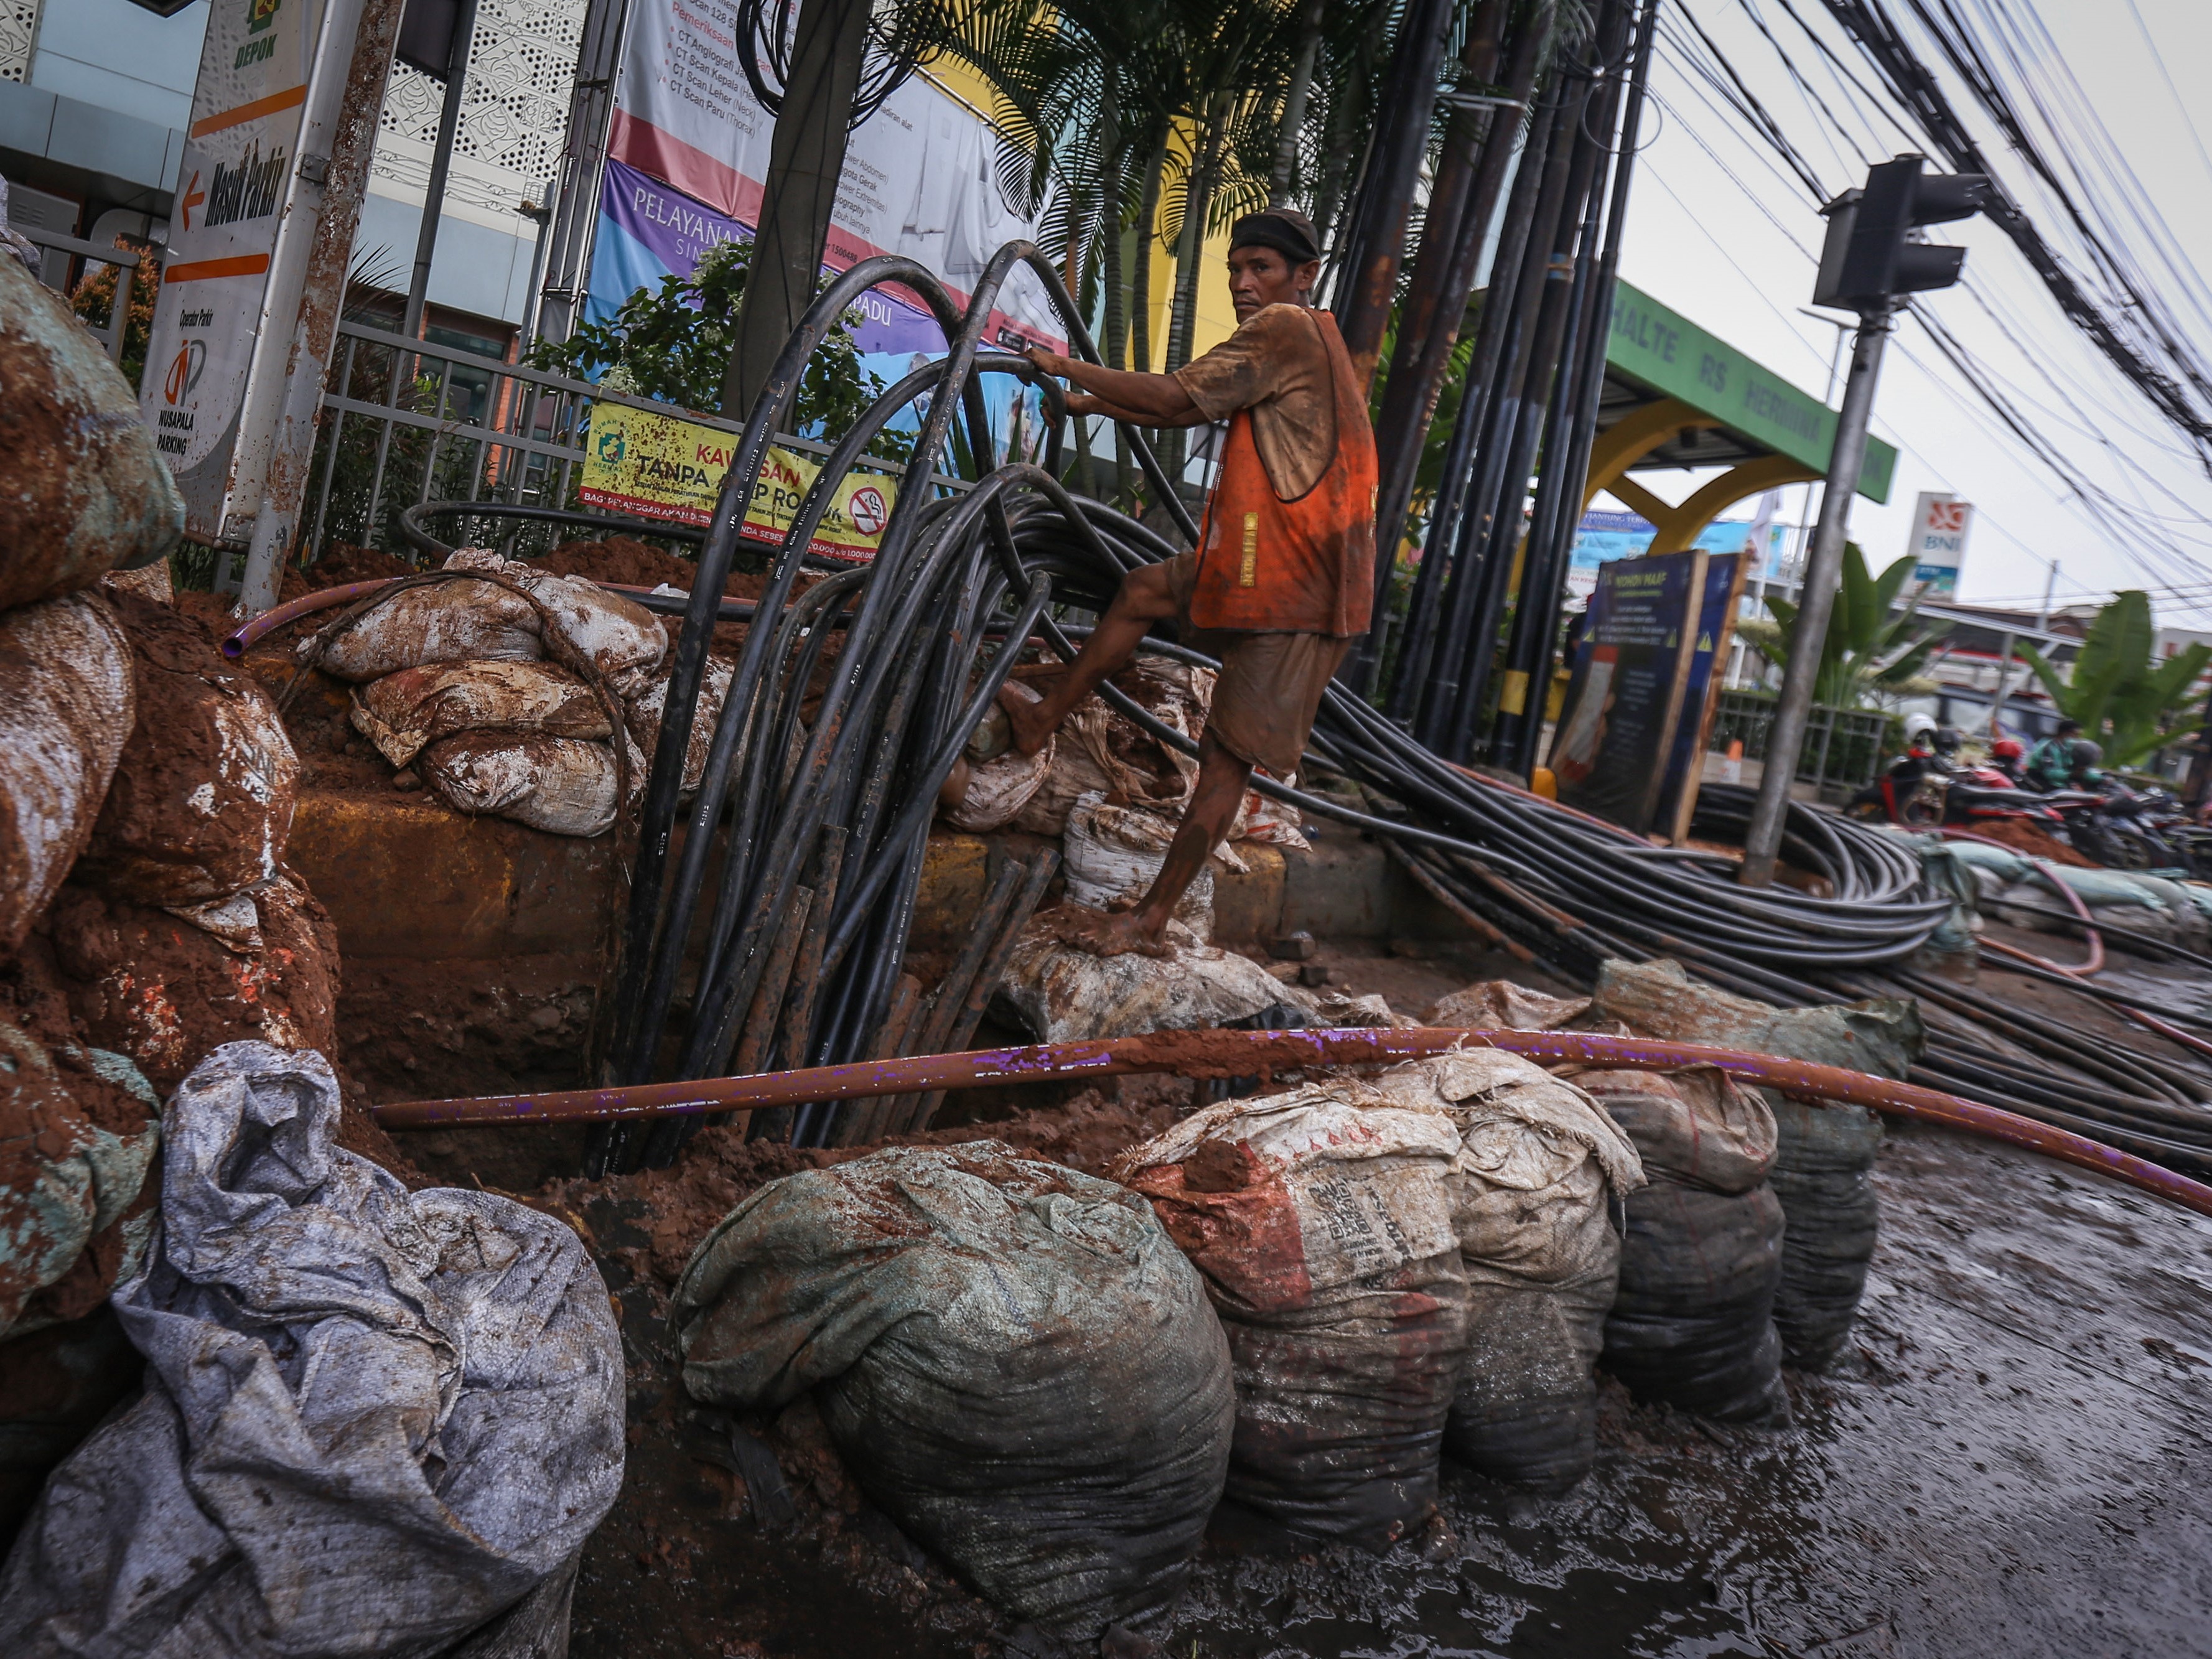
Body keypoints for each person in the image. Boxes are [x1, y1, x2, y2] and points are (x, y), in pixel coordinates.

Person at [1007, 207, 1377, 956]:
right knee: (1142, 589)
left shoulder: (1287, 328)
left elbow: (1175, 396)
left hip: (1298, 589)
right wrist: (1090, 403)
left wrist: (1067, 367)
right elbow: (1193, 405)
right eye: (1236, 269)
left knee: (1223, 760)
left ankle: (1148, 921)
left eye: (1260, 269)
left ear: (1304, 276)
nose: (1243, 283)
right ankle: (1043, 717)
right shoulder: (1304, 337)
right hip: (1260, 559)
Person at [2026, 719, 2082, 792]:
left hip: (2056, 781)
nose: (2078, 739)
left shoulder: (2065, 748)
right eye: (2076, 735)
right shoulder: (2047, 747)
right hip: (2039, 781)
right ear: (2066, 734)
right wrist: (2071, 774)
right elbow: (2050, 773)